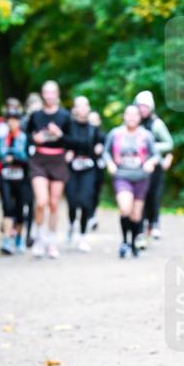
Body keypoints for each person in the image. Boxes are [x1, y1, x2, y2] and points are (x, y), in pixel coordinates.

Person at [103, 104, 160, 259]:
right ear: (124, 116)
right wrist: (110, 163)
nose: (132, 118)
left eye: (135, 115)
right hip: (122, 176)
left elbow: (156, 155)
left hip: (141, 178)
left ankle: (134, 242)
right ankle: (124, 242)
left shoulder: (146, 135)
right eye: (129, 114)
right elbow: (105, 152)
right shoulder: (115, 134)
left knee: (136, 214)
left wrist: (151, 163)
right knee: (125, 208)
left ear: (139, 117)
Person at [26, 80, 73, 259]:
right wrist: (35, 139)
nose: (49, 96)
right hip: (39, 159)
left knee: (54, 203)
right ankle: (39, 237)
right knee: (41, 201)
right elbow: (27, 136)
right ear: (42, 94)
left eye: (52, 92)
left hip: (58, 159)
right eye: (46, 92)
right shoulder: (36, 115)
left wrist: (60, 135)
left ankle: (51, 241)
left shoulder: (65, 116)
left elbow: (72, 140)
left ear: (57, 94)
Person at [64, 96, 104, 252]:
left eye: (85, 105)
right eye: (79, 105)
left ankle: (82, 236)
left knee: (86, 201)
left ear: (88, 108)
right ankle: (71, 223)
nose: (82, 108)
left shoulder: (93, 128)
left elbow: (102, 140)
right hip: (72, 169)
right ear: (74, 109)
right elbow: (62, 141)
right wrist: (67, 152)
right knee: (73, 201)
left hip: (88, 168)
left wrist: (100, 147)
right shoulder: (69, 126)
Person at [134, 91, 174, 246]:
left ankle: (153, 224)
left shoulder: (157, 124)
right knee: (140, 197)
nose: (142, 109)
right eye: (140, 106)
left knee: (153, 196)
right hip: (138, 167)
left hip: (155, 166)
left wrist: (149, 147)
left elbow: (169, 143)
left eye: (145, 106)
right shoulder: (133, 122)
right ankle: (141, 229)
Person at [0, 113, 30, 255]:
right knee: (7, 207)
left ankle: (19, 238)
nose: (12, 123)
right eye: (9, 121)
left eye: (15, 121)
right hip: (6, 177)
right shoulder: (2, 139)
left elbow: (27, 158)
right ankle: (7, 239)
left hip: (22, 179)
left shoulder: (24, 138)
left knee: (20, 209)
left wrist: (14, 157)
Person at [88, 110, 105, 232]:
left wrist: (102, 150)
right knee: (87, 192)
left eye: (95, 120)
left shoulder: (104, 136)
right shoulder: (84, 135)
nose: (93, 123)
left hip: (99, 169)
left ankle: (92, 215)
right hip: (86, 169)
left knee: (95, 193)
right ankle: (88, 215)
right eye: (90, 120)